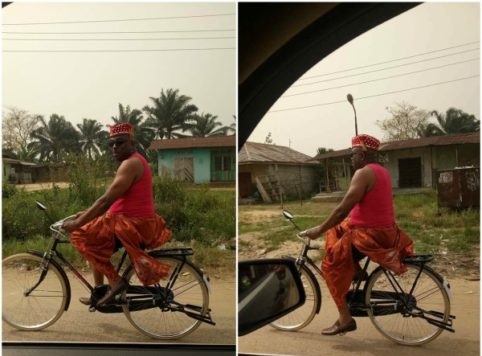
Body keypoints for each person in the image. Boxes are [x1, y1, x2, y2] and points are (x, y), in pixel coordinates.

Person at [304, 134, 414, 336]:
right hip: (384, 230)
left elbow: (341, 210)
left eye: (353, 154)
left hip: (370, 234)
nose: (351, 159)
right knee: (335, 230)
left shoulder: (363, 173)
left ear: (362, 154)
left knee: (329, 266)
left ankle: (345, 319)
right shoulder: (382, 171)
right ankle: (354, 269)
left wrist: (317, 230)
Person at [62, 122, 171, 306]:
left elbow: (105, 201)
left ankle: (116, 281)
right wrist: (87, 214)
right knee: (94, 241)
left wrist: (76, 223)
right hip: (129, 220)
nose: (115, 147)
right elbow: (115, 200)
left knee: (81, 235)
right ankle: (99, 292)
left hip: (131, 224)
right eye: (111, 144)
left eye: (120, 143)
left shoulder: (131, 163)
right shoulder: (133, 162)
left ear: (132, 143)